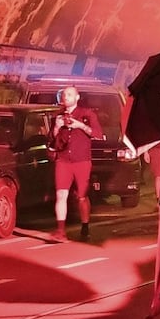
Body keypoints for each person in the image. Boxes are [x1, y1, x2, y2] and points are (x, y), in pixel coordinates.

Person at [49, 85, 103, 242]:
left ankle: (85, 226)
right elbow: (53, 140)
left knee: (82, 197)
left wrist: (80, 125)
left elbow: (98, 134)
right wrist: (57, 128)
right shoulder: (58, 116)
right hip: (63, 159)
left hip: (82, 160)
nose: (66, 97)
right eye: (64, 94)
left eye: (70, 94)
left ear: (77, 97)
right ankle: (60, 230)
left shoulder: (87, 114)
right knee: (61, 195)